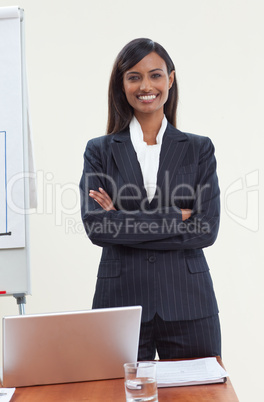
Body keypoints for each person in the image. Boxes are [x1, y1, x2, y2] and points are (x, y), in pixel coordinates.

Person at [79, 38, 221, 360]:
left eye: (155, 75)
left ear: (170, 79)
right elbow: (98, 228)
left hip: (189, 302)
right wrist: (175, 217)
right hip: (119, 303)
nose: (146, 85)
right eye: (134, 76)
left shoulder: (199, 149)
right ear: (122, 83)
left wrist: (121, 219)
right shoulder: (99, 151)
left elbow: (206, 229)